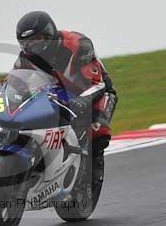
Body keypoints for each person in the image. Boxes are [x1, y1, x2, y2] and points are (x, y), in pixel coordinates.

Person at [9, 10, 117, 179]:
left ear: (50, 34)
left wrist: (82, 101)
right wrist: (5, 93)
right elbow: (15, 81)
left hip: (94, 90)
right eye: (27, 42)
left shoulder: (78, 44)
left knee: (96, 130)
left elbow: (98, 84)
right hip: (58, 92)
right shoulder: (27, 56)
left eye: (37, 39)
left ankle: (92, 177)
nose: (33, 45)